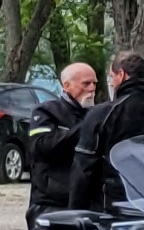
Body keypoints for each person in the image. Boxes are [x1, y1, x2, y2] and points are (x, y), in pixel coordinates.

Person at [67, 49, 144, 210]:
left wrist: (75, 214)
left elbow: (83, 168)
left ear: (122, 74)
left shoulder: (102, 115)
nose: (111, 83)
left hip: (115, 208)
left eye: (112, 77)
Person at [20, 60, 102, 216]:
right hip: (52, 202)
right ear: (67, 86)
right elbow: (42, 146)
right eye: (86, 84)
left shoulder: (97, 114)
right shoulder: (46, 111)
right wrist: (86, 127)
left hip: (89, 201)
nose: (92, 89)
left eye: (94, 84)